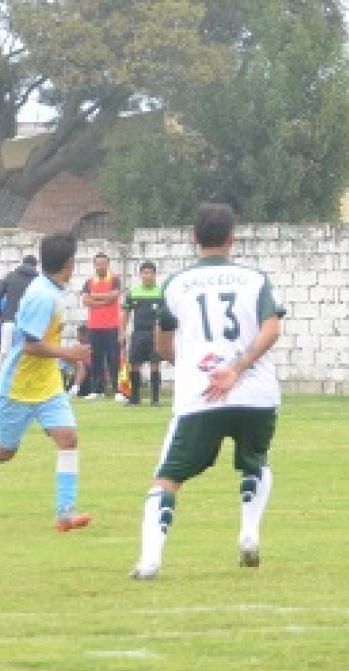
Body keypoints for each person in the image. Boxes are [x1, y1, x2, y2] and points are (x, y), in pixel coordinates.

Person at [131, 203, 284, 581]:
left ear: (193, 238)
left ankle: (150, 561)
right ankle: (249, 533)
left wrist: (190, 365)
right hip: (256, 393)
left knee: (168, 479)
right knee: (255, 460)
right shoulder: (255, 279)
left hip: (201, 395)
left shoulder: (175, 284)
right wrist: (238, 368)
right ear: (233, 238)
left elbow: (163, 342)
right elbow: (272, 328)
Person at [0, 234, 94, 532]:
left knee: (68, 438)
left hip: (47, 385)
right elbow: (30, 345)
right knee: (5, 451)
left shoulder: (51, 290)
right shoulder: (42, 296)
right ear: (68, 264)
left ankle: (65, 512)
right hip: (18, 387)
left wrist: (65, 360)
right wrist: (69, 354)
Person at [122, 261, 166, 406]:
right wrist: (122, 331)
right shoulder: (133, 293)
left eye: (150, 273)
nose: (147, 276)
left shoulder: (161, 293)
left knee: (155, 364)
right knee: (135, 364)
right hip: (138, 333)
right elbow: (126, 313)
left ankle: (155, 398)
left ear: (155, 275)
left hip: (155, 334)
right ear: (140, 275)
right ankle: (135, 397)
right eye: (145, 273)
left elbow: (166, 315)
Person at [80, 252, 123, 400]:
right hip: (94, 326)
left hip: (112, 325)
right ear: (94, 265)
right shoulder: (89, 281)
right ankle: (97, 390)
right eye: (98, 264)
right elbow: (85, 300)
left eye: (103, 264)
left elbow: (115, 295)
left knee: (114, 358)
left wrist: (95, 296)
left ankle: (118, 390)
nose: (100, 267)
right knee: (95, 358)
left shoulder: (115, 279)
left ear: (108, 264)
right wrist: (104, 300)